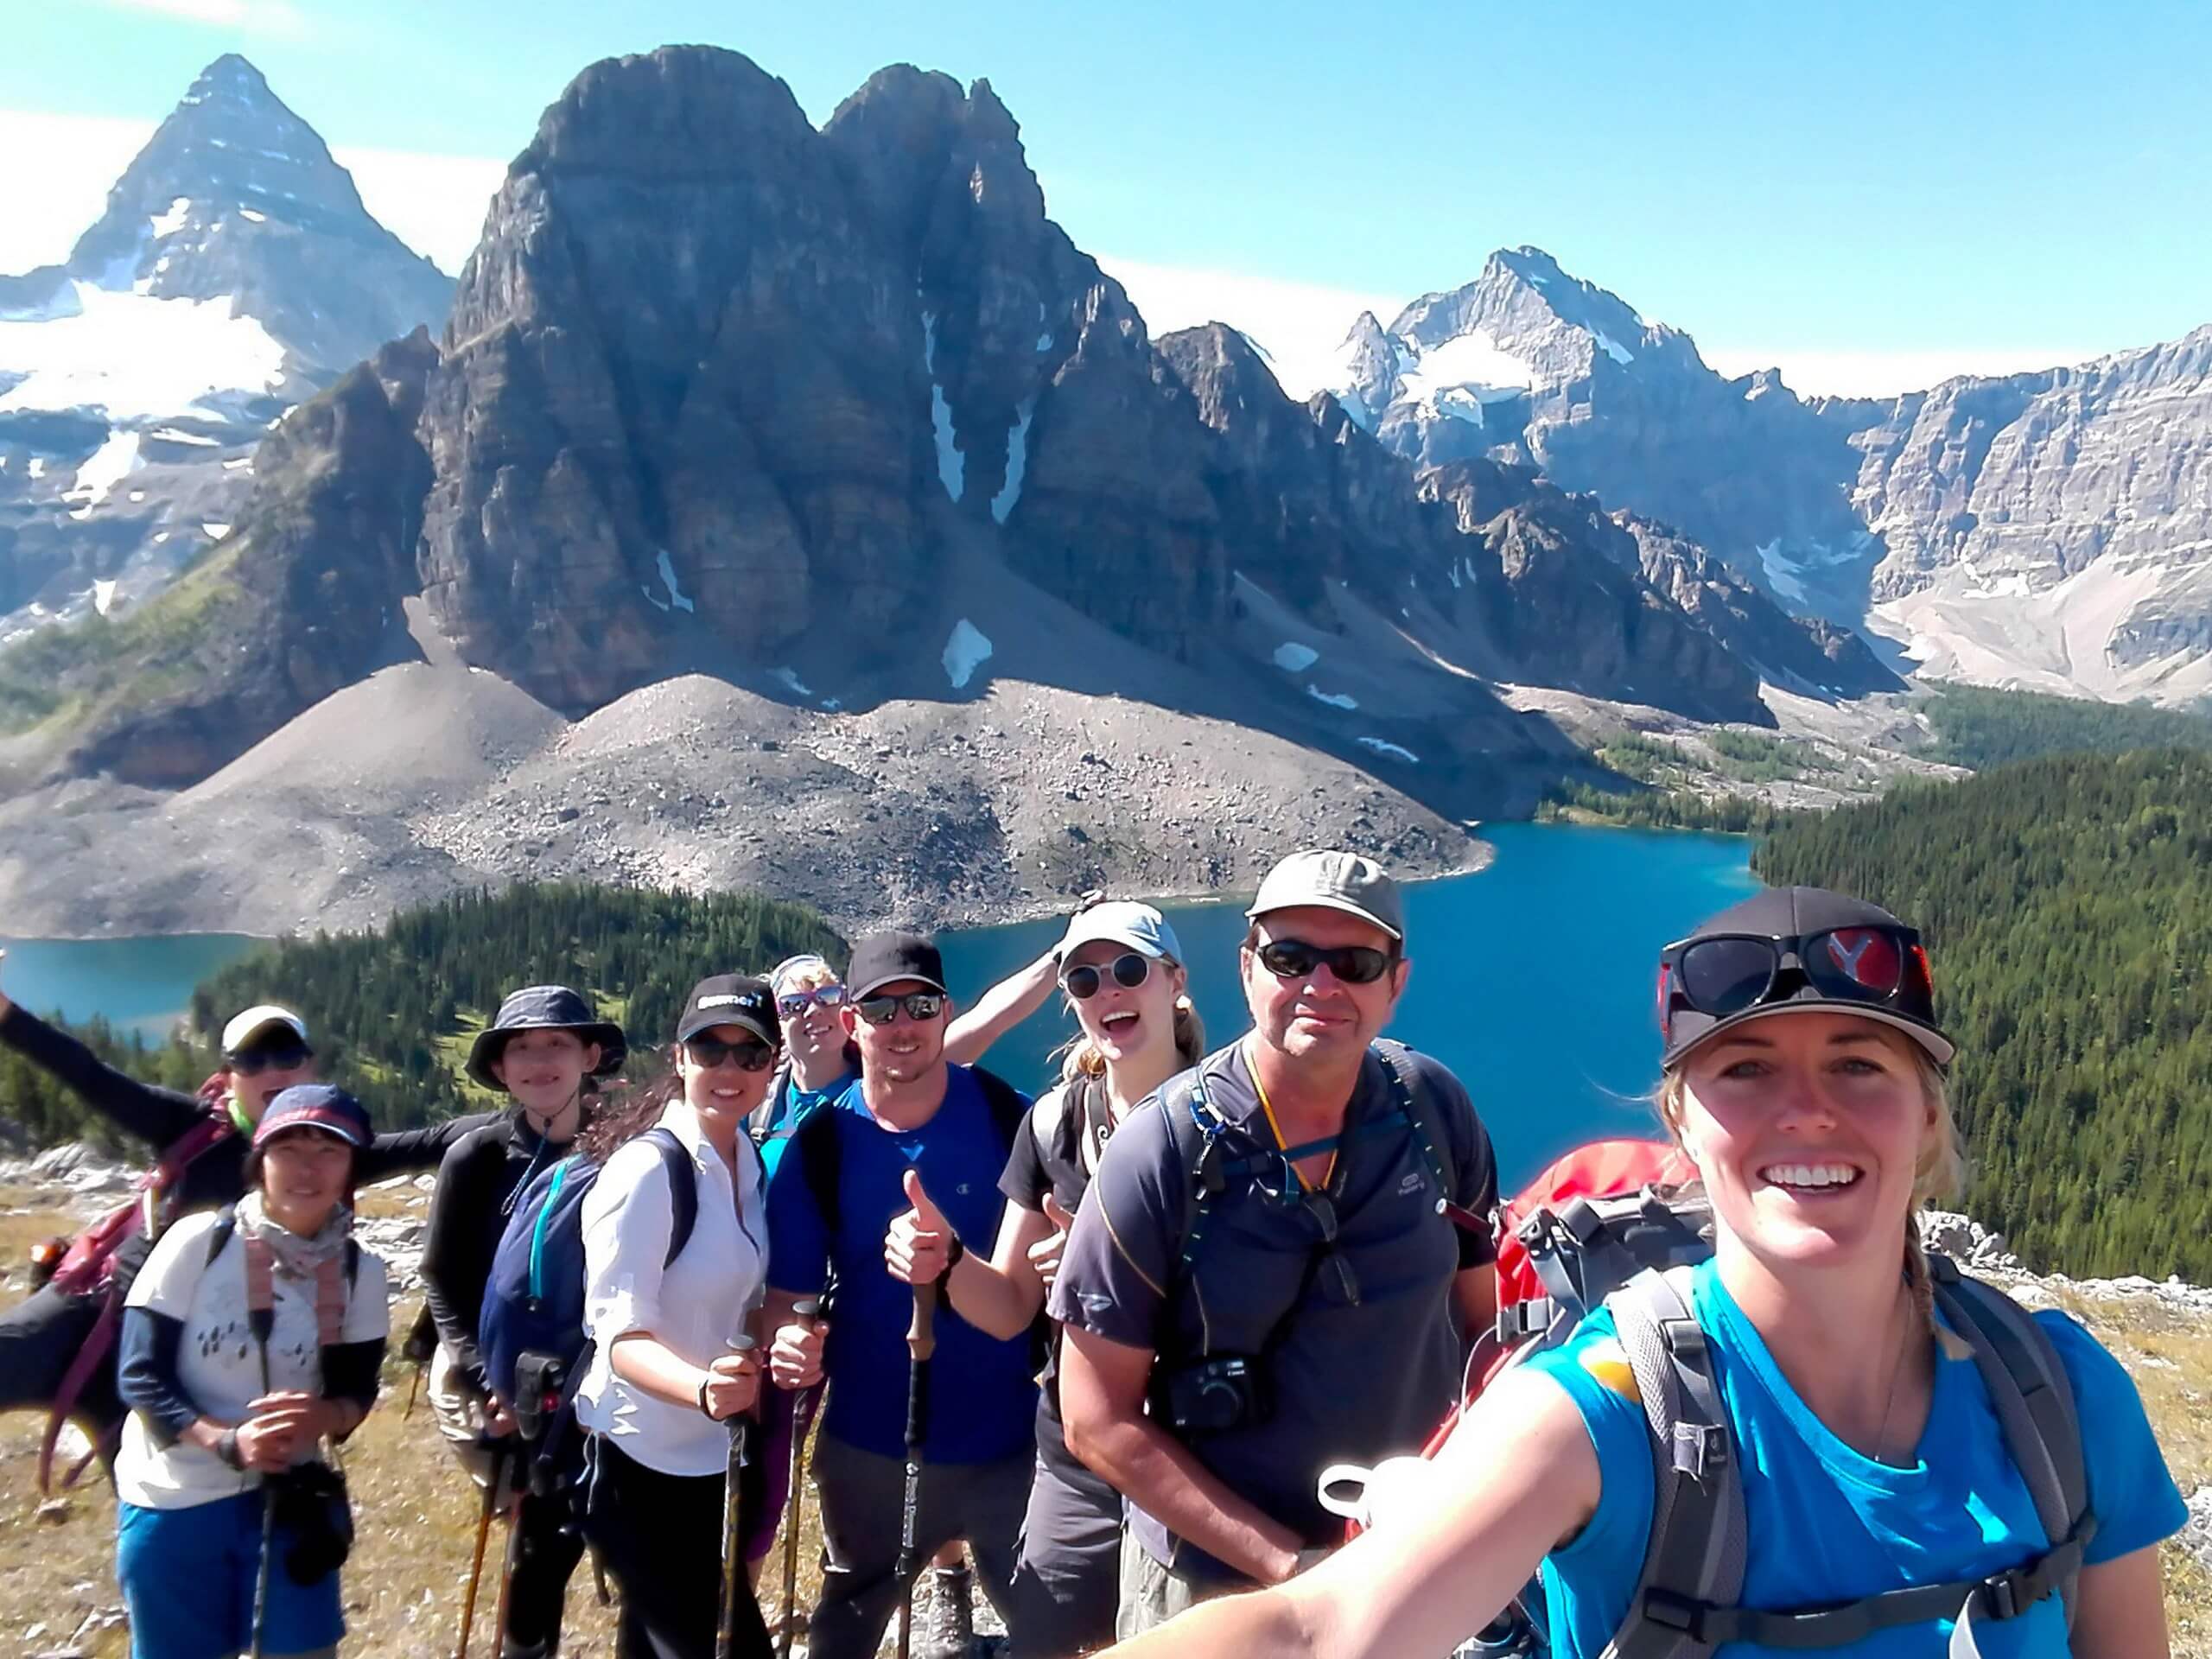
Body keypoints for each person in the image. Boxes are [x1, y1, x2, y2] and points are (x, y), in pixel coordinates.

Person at [1097, 887, 2189, 1658]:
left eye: (1859, 1065)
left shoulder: (2063, 1400)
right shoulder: (1600, 1414)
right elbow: (1319, 1630)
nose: (1807, 1109)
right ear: (1682, 1124)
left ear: (1928, 1114)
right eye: (1746, 1071)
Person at [1049, 849, 1501, 1637]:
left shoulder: (1432, 1108)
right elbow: (1094, 1419)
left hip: (1412, 1556)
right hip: (1212, 1586)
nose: (1321, 987)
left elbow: (1484, 1327)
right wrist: (1295, 1568)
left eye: (1356, 963)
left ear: (1396, 983)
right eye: (1291, 959)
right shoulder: (1160, 1151)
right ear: (1248, 968)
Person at [0, 957, 486, 1464]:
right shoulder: (185, 1125)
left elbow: (437, 1139)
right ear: (228, 1077)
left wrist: (558, 1102)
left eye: (287, 1054)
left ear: (310, 1066)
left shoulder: (338, 1152)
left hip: (185, 1356)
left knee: (157, 1501)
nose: (272, 1069)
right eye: (251, 1060)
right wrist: (6, 1014)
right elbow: (87, 1074)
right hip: (95, 1317)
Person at [886, 902, 1206, 1657]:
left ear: (1175, 983)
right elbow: (1005, 1309)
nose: (1108, 992)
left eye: (1128, 970)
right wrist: (944, 1261)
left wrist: (1106, 1268)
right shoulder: (1055, 1123)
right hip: (1079, 1452)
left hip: (1203, 1446)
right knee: (1052, 1639)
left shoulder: (1229, 1117)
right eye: (1085, 980)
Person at [750, 942, 1062, 1654]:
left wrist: (961, 1260)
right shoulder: (820, 1144)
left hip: (1009, 1441)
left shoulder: (1006, 1117)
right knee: (849, 1624)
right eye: (880, 1007)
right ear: (853, 1025)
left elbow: (1032, 1287)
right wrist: (789, 1338)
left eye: (920, 1004)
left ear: (945, 1013)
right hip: (871, 1445)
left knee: (1059, 1630)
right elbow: (786, 1301)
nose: (902, 1024)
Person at [114, 1084, 391, 1659]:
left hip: (291, 1499)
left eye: (329, 1152)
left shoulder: (360, 1272)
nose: (307, 1170)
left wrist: (323, 1415)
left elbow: (356, 1391)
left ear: (351, 1170)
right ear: (259, 1160)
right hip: (176, 1497)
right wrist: (224, 1441)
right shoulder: (198, 1242)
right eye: (289, 1149)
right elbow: (139, 1374)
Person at [419, 986, 626, 1659]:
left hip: (613, 1379)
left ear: (590, 1055)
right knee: (536, 1547)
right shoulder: (476, 1159)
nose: (541, 1062)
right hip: (517, 1393)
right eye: (522, 1049)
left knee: (633, 1540)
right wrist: (486, 1380)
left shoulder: (629, 1148)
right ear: (502, 1070)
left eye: (557, 1044)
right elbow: (444, 1279)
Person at [575, 974, 779, 1659]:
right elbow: (618, 1337)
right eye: (710, 1050)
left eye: (749, 1054)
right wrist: (703, 1389)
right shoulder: (647, 1171)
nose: (730, 1070)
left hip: (710, 1460)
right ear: (680, 1057)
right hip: (641, 1466)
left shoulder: (745, 1159)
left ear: (771, 1064)